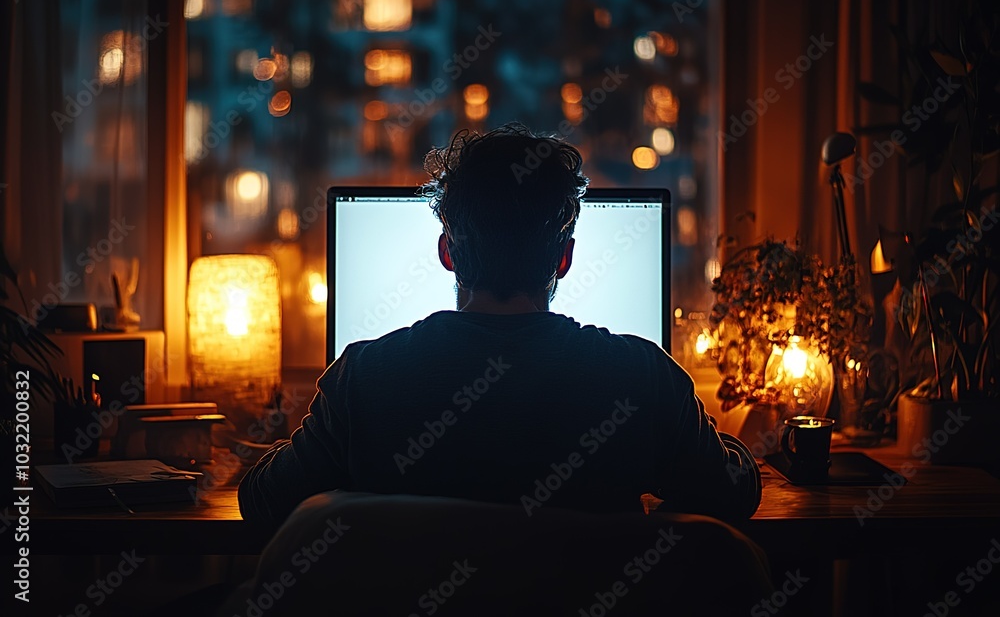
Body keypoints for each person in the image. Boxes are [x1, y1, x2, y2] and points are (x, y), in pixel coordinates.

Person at [238, 123, 761, 530]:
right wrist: (733, 445)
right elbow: (731, 493)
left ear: (447, 251)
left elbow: (264, 503)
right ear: (564, 259)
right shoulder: (642, 377)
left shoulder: (364, 379)